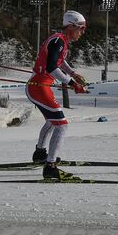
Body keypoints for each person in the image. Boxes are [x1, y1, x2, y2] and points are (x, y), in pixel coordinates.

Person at [26, 10, 89, 180]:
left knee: (53, 121)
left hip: (40, 87)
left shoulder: (60, 40)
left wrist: (72, 73)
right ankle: (50, 167)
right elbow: (52, 67)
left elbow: (59, 62)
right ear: (71, 26)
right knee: (61, 125)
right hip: (38, 87)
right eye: (81, 28)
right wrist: (72, 83)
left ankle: (40, 153)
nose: (82, 32)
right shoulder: (58, 40)